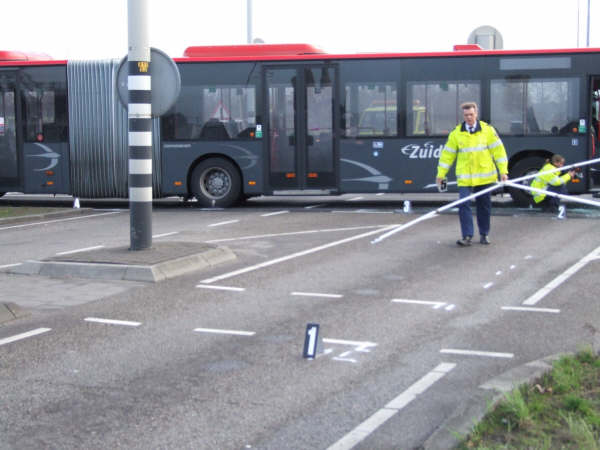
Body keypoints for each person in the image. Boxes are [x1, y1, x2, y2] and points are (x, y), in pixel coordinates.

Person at [436, 102, 508, 246]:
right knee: (463, 205)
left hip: (484, 176)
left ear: (476, 114)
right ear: (463, 115)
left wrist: (503, 171)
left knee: (484, 206)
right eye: (466, 115)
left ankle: (484, 234)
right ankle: (467, 235)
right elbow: (447, 156)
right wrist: (441, 174)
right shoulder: (456, 133)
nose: (469, 117)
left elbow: (499, 151)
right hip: (465, 178)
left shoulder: (488, 131)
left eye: (471, 114)